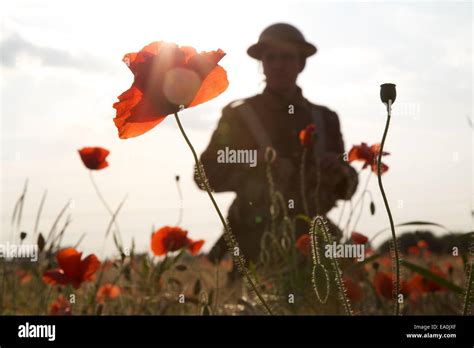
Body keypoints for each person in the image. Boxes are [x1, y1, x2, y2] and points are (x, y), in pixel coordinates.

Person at [195, 23, 359, 269]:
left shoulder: (325, 119)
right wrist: (255, 159)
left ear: (301, 63)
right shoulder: (239, 115)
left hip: (314, 239)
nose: (279, 64)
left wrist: (338, 172)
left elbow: (348, 189)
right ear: (262, 64)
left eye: (287, 57)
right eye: (271, 58)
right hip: (256, 242)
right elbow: (204, 175)